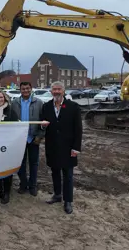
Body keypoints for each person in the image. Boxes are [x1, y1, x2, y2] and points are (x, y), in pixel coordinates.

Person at [41, 81, 82, 214]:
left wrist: (76, 148)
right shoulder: (46, 107)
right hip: (52, 146)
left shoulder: (73, 107)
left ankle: (68, 201)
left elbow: (78, 129)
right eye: (54, 89)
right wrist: (42, 125)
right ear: (51, 91)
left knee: (68, 175)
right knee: (55, 172)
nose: (56, 91)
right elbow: (42, 124)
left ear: (63, 91)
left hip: (68, 147)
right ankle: (57, 195)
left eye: (59, 89)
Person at [11, 81, 45, 196]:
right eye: (23, 89)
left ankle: (33, 185)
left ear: (31, 89)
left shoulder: (39, 103)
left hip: (33, 138)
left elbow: (43, 121)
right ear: (20, 90)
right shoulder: (14, 103)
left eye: (27, 88)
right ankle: (23, 184)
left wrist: (40, 136)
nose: (25, 90)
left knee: (34, 163)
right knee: (21, 163)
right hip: (19, 139)